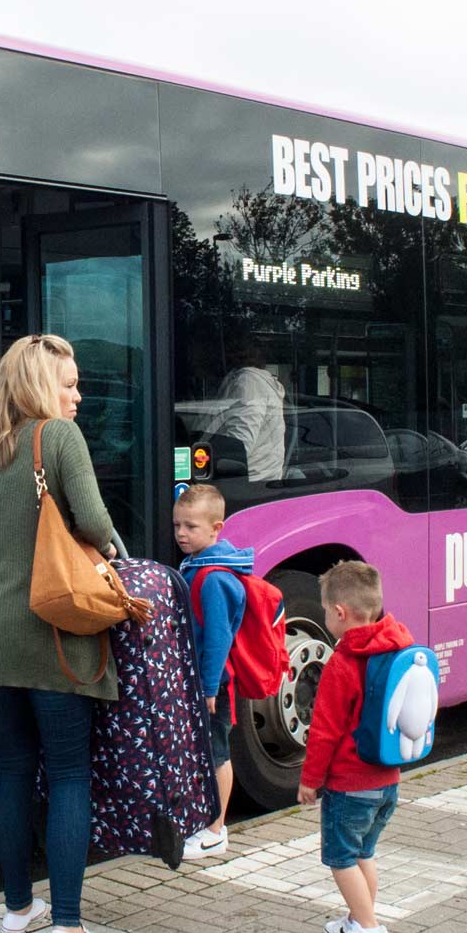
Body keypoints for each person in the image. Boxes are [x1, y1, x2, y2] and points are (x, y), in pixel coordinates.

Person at [0, 333, 119, 933]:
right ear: (38, 387)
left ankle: (18, 909)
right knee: (70, 770)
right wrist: (112, 557)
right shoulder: (58, 437)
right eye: (69, 384)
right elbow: (97, 524)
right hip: (49, 627)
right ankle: (70, 926)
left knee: (15, 767)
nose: (78, 395)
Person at [296, 560, 407, 933]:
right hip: (387, 780)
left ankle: (368, 930)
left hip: (349, 784)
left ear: (339, 613)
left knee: (341, 858)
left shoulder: (343, 664)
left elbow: (324, 731)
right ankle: (358, 919)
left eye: (326, 612)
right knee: (364, 854)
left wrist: (310, 780)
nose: (327, 618)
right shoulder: (396, 646)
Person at [173, 482, 245, 860]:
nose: (182, 534)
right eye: (178, 526)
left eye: (191, 527)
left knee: (217, 752)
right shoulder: (198, 566)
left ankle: (216, 830)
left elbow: (218, 637)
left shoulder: (213, 577)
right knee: (204, 751)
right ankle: (205, 821)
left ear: (217, 528)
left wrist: (209, 687)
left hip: (214, 684)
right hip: (203, 682)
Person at [211, 336, 287, 483]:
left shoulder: (248, 382)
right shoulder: (254, 381)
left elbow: (239, 444)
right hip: (257, 480)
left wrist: (206, 461)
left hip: (247, 483)